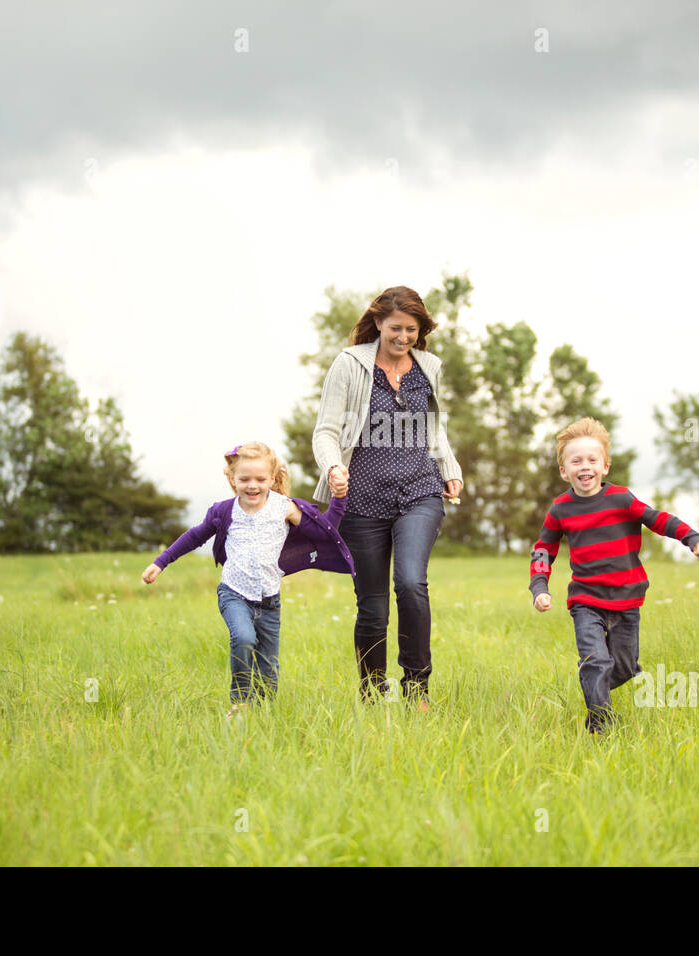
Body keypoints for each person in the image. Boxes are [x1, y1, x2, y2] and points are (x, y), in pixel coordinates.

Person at [312, 286, 464, 706]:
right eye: (395, 328)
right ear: (378, 322)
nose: (403, 337)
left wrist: (449, 468)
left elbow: (434, 429)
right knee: (372, 607)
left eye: (411, 330)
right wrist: (332, 466)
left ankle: (417, 689)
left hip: (419, 489)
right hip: (361, 497)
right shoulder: (349, 365)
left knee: (412, 582)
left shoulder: (429, 366)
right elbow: (326, 430)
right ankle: (373, 694)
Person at [142, 441, 354, 717]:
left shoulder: (285, 508)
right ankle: (240, 703)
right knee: (242, 638)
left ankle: (264, 715)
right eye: (244, 479)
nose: (252, 485)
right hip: (234, 593)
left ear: (272, 478)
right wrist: (161, 562)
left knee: (268, 667)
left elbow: (324, 532)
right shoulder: (223, 511)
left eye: (260, 479)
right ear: (232, 479)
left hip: (269, 602)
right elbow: (195, 536)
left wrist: (339, 498)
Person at [528, 417, 699, 733]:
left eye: (591, 459)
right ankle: (600, 723)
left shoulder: (621, 499)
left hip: (627, 600)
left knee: (624, 668)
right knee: (595, 662)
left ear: (604, 467)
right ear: (564, 470)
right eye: (576, 461)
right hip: (586, 600)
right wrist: (539, 586)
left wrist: (692, 538)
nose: (584, 466)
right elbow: (543, 549)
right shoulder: (560, 509)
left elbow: (658, 520)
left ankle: (594, 689)